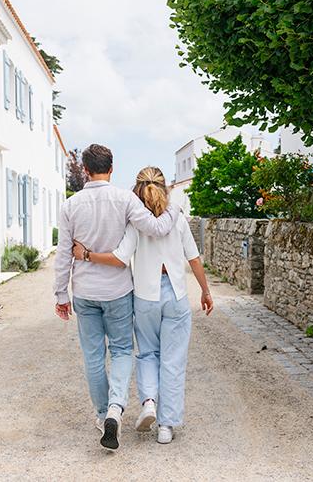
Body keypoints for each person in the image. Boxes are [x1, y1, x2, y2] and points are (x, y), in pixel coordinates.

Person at [72, 166, 213, 445]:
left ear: (137, 190)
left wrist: (86, 254)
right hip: (175, 295)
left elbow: (119, 259)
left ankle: (149, 402)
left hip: (145, 297)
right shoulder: (178, 220)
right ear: (165, 188)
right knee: (172, 362)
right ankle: (166, 426)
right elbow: (194, 259)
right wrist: (206, 291)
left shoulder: (136, 223)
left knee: (147, 354)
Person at [53, 145, 180, 452]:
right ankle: (115, 408)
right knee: (122, 350)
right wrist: (175, 208)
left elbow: (62, 254)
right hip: (118, 292)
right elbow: (158, 227)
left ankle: (102, 415)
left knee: (93, 357)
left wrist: (61, 294)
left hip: (84, 292)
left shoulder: (71, 206)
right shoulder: (125, 200)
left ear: (85, 170)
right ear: (112, 168)